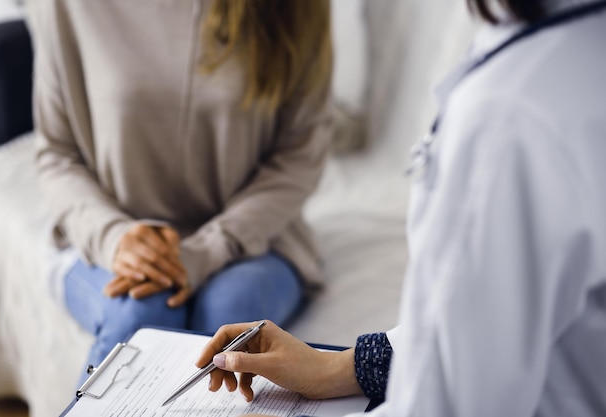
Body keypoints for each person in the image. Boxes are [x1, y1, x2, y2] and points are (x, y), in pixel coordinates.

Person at [196, 0, 606, 416]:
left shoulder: (506, 119)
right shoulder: (568, 59)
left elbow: (443, 402)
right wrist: (341, 366)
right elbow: (486, 328)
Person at [31, 0, 333, 381]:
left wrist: (206, 251)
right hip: (106, 237)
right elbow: (57, 154)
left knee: (230, 322)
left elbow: (298, 159)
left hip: (252, 241)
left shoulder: (296, 9)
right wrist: (116, 239)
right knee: (142, 315)